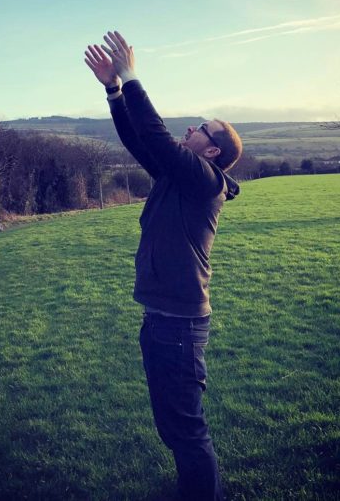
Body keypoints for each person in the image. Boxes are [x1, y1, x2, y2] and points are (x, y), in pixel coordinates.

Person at [84, 31, 242, 501]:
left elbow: (154, 132)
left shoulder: (204, 181)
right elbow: (141, 143)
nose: (190, 129)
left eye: (200, 129)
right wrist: (114, 92)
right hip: (161, 318)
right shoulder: (178, 177)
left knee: (188, 430)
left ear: (212, 151)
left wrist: (132, 76)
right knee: (174, 427)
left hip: (178, 324)